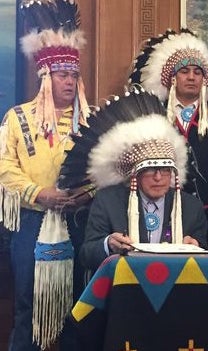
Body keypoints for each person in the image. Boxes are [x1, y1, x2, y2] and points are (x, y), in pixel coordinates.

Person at [0, 1, 91, 350]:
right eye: (62, 74)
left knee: (77, 306)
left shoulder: (90, 121)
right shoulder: (17, 119)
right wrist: (39, 193)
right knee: (26, 304)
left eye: (73, 75)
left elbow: (106, 167)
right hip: (31, 222)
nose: (69, 81)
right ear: (45, 76)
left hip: (79, 221)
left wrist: (86, 194)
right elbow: (5, 167)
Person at [58, 88, 208, 272]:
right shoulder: (108, 201)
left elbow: (203, 261)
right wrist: (108, 244)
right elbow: (87, 256)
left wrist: (195, 248)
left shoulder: (191, 207)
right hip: (124, 288)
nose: (159, 177)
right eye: (150, 170)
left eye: (165, 170)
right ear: (134, 174)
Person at [129, 29, 208, 249]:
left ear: (204, 79)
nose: (191, 77)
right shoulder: (154, 116)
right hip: (163, 212)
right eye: (184, 71)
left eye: (197, 72)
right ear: (172, 77)